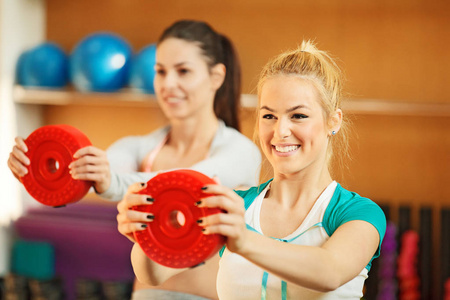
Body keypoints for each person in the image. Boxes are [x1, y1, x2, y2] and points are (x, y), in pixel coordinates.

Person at [8, 20, 261, 300]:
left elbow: (185, 185)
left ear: (216, 77)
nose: (168, 84)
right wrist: (35, 169)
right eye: (160, 72)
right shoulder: (138, 147)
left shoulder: (241, 152)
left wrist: (110, 181)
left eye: (183, 71)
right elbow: (89, 175)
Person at [119, 40, 386, 299]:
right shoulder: (236, 204)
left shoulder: (358, 214)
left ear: (332, 121)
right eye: (269, 116)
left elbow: (330, 271)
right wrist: (146, 232)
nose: (280, 131)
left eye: (298, 116)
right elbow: (154, 274)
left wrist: (244, 240)